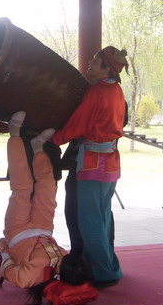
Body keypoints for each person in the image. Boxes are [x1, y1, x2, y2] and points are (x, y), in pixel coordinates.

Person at [51, 46, 129, 288]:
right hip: (110, 161)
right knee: (102, 217)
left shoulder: (97, 92)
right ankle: (103, 266)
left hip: (92, 161)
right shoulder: (116, 90)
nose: (90, 64)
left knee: (89, 221)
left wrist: (54, 138)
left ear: (107, 68)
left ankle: (104, 272)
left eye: (96, 62)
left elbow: (78, 124)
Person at [0, 111, 63, 289]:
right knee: (48, 186)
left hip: (18, 232)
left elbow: (11, 273)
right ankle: (37, 147)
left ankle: (15, 134)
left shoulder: (31, 277)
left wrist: (5, 252)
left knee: (23, 187)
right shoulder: (68, 265)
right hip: (44, 228)